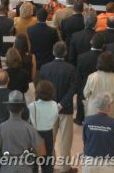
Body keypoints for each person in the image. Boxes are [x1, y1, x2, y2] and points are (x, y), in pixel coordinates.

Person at [38, 42, 78, 173]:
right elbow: (73, 89)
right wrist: (61, 104)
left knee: (50, 139)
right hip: (65, 109)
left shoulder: (44, 68)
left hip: (48, 109)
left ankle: (50, 166)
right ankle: (65, 167)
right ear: (65, 52)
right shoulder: (71, 69)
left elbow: (41, 89)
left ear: (53, 52)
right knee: (66, 140)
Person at [0, 90, 46, 173]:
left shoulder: (0, 127)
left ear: (8, 108)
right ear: (23, 108)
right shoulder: (30, 128)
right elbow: (42, 151)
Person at [81, 92, 114, 173]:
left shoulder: (87, 120)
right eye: (111, 104)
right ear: (108, 106)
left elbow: (85, 139)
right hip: (108, 162)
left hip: (90, 161)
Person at [27, 80, 59, 173]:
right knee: (47, 162)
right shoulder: (54, 105)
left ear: (37, 92)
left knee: (33, 163)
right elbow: (54, 119)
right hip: (48, 134)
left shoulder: (32, 106)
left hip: (35, 134)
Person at [84, 52, 114, 120]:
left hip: (94, 111)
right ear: (112, 63)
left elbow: (86, 94)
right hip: (110, 112)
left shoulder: (91, 77)